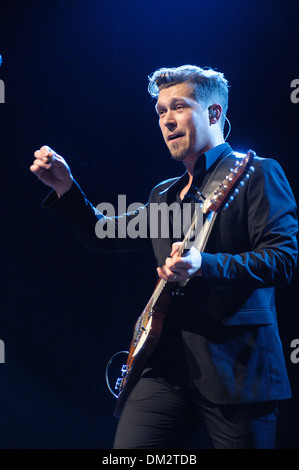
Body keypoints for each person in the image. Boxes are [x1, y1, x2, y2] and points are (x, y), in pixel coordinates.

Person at [30, 65, 298, 449]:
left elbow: (284, 259)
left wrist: (203, 265)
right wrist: (64, 186)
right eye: (160, 112)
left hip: (237, 371)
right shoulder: (165, 195)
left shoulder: (258, 173)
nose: (167, 120)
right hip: (165, 370)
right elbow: (101, 234)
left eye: (178, 107)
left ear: (214, 113)